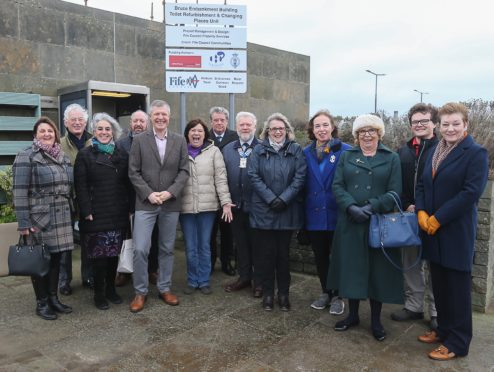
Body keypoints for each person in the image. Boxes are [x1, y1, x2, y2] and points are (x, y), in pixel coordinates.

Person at [415, 102, 488, 360]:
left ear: (466, 124)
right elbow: (423, 185)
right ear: (439, 125)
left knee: (457, 291)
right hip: (433, 231)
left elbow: (470, 194)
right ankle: (443, 329)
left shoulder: (475, 153)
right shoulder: (435, 150)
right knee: (441, 286)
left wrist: (438, 218)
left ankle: (458, 342)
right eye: (445, 124)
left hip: (455, 231)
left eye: (456, 123)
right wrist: (422, 212)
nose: (450, 128)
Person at [327, 114, 403, 341]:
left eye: (371, 131)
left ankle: (377, 321)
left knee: (377, 272)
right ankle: (352, 316)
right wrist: (351, 207)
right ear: (356, 135)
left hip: (377, 223)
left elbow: (394, 191)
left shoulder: (391, 158)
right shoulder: (347, 155)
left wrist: (370, 208)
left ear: (379, 133)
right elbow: (337, 185)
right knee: (352, 270)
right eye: (362, 131)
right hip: (350, 222)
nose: (367, 135)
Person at [128, 99, 189, 313]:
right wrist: (149, 193)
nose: (161, 118)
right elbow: (133, 171)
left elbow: (184, 171)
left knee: (166, 248)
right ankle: (140, 291)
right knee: (140, 249)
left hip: (170, 203)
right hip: (146, 203)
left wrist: (170, 192)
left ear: (169, 117)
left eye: (164, 114)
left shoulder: (179, 140)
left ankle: (164, 288)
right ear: (151, 117)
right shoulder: (139, 140)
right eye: (157, 115)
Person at [13, 117, 74, 320]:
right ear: (35, 135)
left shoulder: (62, 156)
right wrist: (23, 222)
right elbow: (19, 192)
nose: (47, 134)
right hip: (40, 218)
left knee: (57, 259)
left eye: (50, 131)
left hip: (62, 215)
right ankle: (42, 303)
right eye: (42, 131)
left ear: (56, 134)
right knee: (41, 261)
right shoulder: (27, 156)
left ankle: (53, 298)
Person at [248, 113, 306, 311]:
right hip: (264, 210)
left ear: (287, 130)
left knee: (283, 256)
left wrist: (284, 199)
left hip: (286, 211)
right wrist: (271, 199)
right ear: (267, 131)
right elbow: (253, 176)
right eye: (274, 128)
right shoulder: (258, 150)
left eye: (281, 128)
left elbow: (300, 176)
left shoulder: (296, 149)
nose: (278, 132)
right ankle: (267, 295)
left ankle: (283, 295)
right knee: (265, 256)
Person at [74, 113, 131, 310]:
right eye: (100, 129)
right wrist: (86, 210)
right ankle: (99, 294)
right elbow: (80, 186)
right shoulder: (85, 154)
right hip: (95, 213)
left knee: (114, 254)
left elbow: (127, 184)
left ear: (113, 132)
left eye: (108, 129)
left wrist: (129, 209)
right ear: (94, 132)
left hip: (117, 212)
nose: (104, 132)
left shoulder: (121, 155)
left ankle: (111, 290)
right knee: (99, 257)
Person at [391, 103, 438, 329]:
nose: (419, 125)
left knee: (436, 264)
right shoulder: (403, 151)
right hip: (409, 215)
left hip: (435, 217)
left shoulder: (443, 148)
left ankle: (437, 312)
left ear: (434, 123)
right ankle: (414, 306)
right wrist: (408, 204)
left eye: (424, 121)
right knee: (411, 262)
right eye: (415, 122)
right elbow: (396, 183)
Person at [303, 109, 351, 314]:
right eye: (317, 126)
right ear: (312, 130)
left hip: (336, 214)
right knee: (320, 256)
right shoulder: (304, 153)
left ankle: (339, 295)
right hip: (313, 214)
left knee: (338, 257)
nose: (321, 129)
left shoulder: (346, 151)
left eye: (325, 125)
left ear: (332, 127)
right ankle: (326, 291)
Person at [180, 119, 234, 295]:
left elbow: (220, 178)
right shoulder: (179, 151)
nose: (196, 134)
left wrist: (225, 202)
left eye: (200, 131)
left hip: (208, 208)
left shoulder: (214, 151)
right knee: (190, 246)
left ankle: (203, 281)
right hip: (185, 207)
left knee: (204, 245)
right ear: (187, 134)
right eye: (193, 131)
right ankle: (191, 280)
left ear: (205, 134)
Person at [115, 110, 159, 287]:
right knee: (126, 237)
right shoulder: (121, 145)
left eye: (142, 121)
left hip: (149, 198)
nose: (139, 124)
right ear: (130, 124)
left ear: (147, 123)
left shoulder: (154, 142)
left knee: (152, 237)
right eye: (135, 121)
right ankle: (124, 271)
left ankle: (152, 270)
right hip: (126, 198)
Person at [222, 112, 262, 297]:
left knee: (257, 245)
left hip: (257, 207)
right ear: (237, 127)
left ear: (255, 127)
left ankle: (259, 281)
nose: (245, 128)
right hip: (235, 206)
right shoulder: (229, 149)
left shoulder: (262, 148)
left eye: (248, 125)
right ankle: (244, 277)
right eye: (242, 125)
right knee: (241, 245)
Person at [59, 103, 93, 295]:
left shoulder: (94, 141)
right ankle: (64, 281)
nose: (78, 123)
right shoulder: (60, 144)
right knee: (65, 242)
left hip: (88, 200)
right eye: (74, 120)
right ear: (66, 123)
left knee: (89, 239)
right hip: (66, 200)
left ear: (85, 121)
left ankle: (88, 277)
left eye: (81, 119)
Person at [208, 106, 238, 276]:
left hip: (229, 192)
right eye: (216, 120)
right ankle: (211, 262)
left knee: (228, 232)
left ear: (227, 121)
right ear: (211, 121)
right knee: (210, 232)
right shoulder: (205, 137)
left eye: (222, 120)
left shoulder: (235, 137)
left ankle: (227, 262)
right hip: (209, 192)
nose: (219, 123)